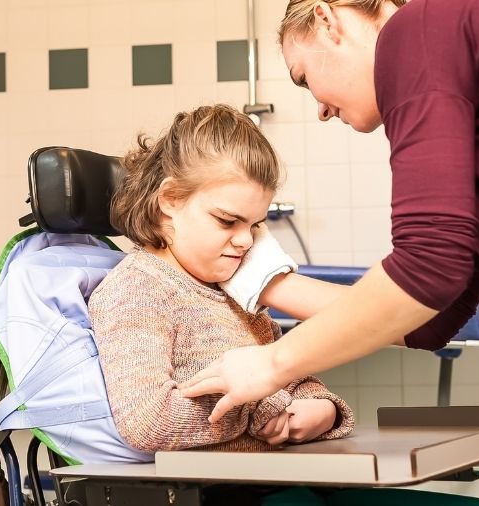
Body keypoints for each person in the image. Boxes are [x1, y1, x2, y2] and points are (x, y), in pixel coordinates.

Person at [180, 0, 479, 423]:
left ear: (327, 19)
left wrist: (272, 363)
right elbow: (429, 319)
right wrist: (269, 282)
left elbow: (428, 267)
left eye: (304, 78)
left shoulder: (418, 28)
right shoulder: (460, 83)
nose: (321, 110)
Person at [88, 104, 355, 455]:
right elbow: (148, 422)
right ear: (170, 199)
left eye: (255, 225)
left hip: (279, 479)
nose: (246, 241)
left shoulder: (233, 288)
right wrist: (260, 409)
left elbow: (292, 381)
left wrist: (322, 409)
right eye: (228, 221)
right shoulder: (139, 289)